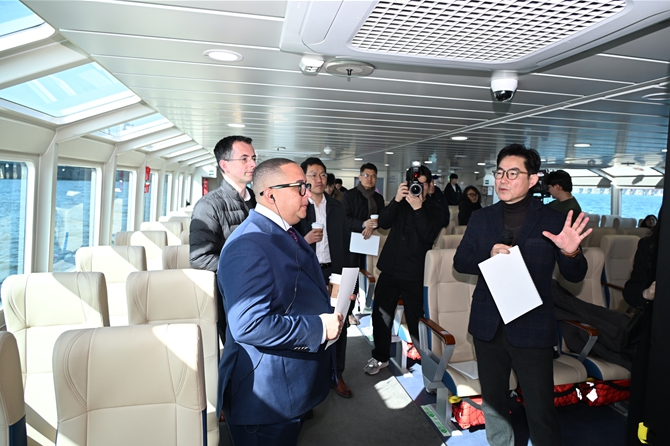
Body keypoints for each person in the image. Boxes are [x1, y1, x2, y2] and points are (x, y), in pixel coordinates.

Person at [453, 143, 591, 446]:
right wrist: (488, 255)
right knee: (494, 405)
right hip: (488, 324)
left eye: (513, 173)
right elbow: (460, 261)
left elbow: (575, 275)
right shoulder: (481, 218)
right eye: (499, 172)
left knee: (541, 409)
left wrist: (571, 252)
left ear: (532, 180)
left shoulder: (553, 220)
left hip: (533, 325)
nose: (503, 179)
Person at [217, 158, 345, 446]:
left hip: (286, 390)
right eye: (300, 187)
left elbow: (285, 287)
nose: (308, 194)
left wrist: (327, 294)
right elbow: (250, 325)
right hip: (265, 398)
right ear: (270, 194)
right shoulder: (248, 244)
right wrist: (319, 328)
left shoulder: (283, 231)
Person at [363, 165, 443, 375]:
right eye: (414, 184)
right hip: (390, 268)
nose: (418, 188)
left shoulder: (436, 209)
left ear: (430, 186)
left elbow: (428, 236)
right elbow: (383, 223)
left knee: (416, 319)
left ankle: (426, 365)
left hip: (415, 272)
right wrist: (397, 199)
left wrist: (418, 209)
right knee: (381, 316)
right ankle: (380, 357)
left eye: (422, 184)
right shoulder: (400, 203)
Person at [294, 157, 356, 398]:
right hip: (309, 274)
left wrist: (351, 281)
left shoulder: (337, 207)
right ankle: (312, 378)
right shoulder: (298, 206)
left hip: (335, 272)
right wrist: (305, 240)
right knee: (312, 324)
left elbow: (347, 246)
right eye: (313, 175)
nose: (319, 179)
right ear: (304, 179)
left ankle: (337, 374)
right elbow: (286, 244)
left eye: (322, 174)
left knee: (340, 322)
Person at [189, 135, 257, 344]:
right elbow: (199, 259)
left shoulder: (258, 200)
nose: (253, 164)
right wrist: (246, 269)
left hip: (261, 291)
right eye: (244, 159)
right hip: (231, 297)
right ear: (224, 165)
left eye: (253, 158)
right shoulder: (209, 206)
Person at [623, 209, 661, 446]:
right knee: (647, 409)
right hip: (654, 336)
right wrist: (647, 293)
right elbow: (631, 291)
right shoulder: (649, 246)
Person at [342, 163, 385, 243]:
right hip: (351, 238)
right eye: (366, 175)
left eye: (373, 176)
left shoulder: (378, 198)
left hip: (372, 238)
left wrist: (371, 226)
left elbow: (382, 218)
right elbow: (344, 218)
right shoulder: (349, 195)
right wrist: (364, 224)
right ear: (360, 177)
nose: (370, 179)